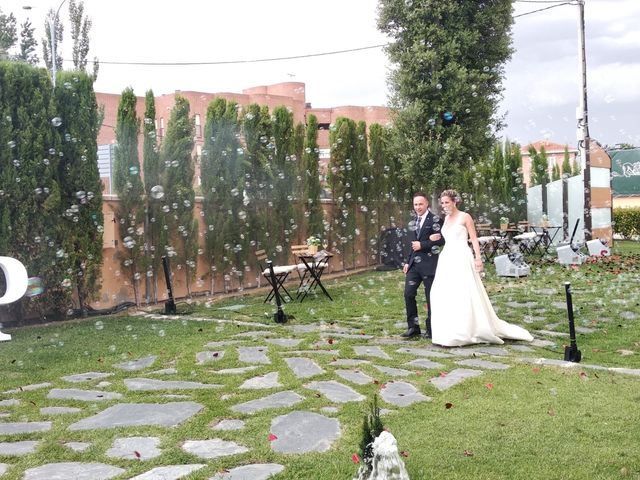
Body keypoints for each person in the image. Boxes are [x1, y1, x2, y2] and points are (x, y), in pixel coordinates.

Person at [430, 189, 534, 347]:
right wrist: (437, 237)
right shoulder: (446, 219)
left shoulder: (465, 217)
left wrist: (478, 258)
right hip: (447, 258)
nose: (444, 205)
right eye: (442, 203)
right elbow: (448, 237)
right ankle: (450, 329)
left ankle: (468, 329)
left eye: (447, 202)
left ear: (455, 201)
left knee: (464, 291)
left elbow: (473, 239)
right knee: (444, 292)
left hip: (461, 256)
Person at [401, 192, 445, 338]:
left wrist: (424, 244)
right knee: (408, 294)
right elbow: (412, 245)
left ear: (427, 204)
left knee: (430, 296)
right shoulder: (414, 221)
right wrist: (408, 262)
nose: (418, 207)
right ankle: (413, 327)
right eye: (415, 204)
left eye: (420, 204)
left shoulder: (436, 220)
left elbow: (442, 240)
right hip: (414, 265)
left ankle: (431, 328)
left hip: (429, 264)